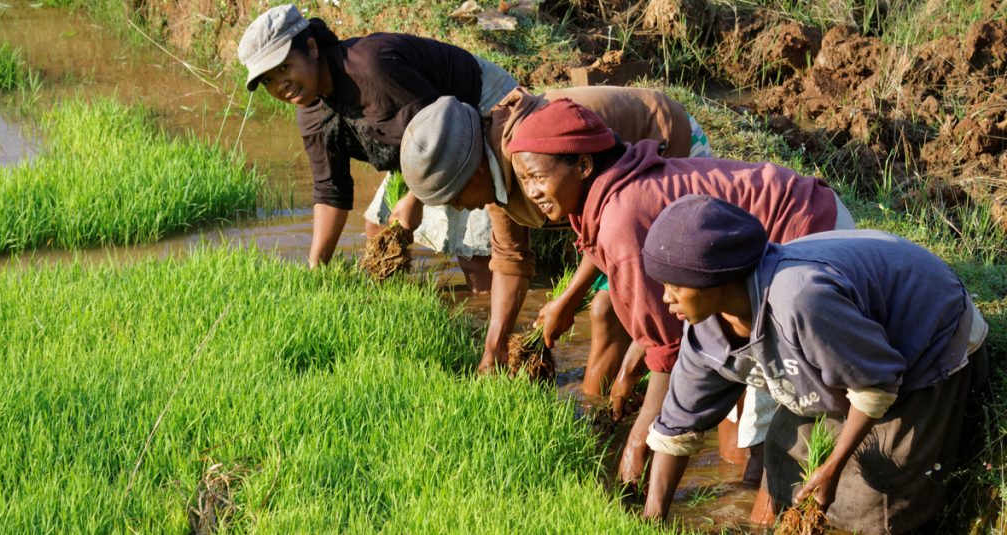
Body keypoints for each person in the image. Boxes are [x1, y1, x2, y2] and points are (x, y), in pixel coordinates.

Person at [502, 99, 856, 489]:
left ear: (584, 166)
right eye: (523, 181)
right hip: (786, 230)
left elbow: (670, 351)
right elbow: (638, 295)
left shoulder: (622, 217)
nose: (531, 191)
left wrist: (641, 437)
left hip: (806, 234)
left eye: (537, 177)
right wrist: (618, 352)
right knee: (734, 403)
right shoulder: (609, 197)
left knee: (768, 428)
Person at [639, 195, 989, 533]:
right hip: (846, 347)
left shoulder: (800, 299)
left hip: (926, 336)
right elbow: (678, 428)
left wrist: (833, 467)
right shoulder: (703, 331)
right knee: (782, 447)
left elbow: (877, 383)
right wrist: (651, 522)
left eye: (676, 286)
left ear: (719, 279)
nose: (666, 298)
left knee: (876, 487)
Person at [399, 86, 713, 399]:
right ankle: (606, 398)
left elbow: (611, 225)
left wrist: (567, 300)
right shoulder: (499, 168)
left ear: (476, 170)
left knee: (608, 307)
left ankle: (598, 407)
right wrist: (494, 348)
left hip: (667, 149)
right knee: (609, 305)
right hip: (608, 203)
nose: (456, 207)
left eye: (454, 196)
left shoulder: (536, 151)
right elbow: (511, 259)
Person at [237, 4, 517, 290]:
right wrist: (315, 270)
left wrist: (415, 200)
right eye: (268, 80)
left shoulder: (372, 71)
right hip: (422, 135)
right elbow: (330, 189)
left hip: (479, 109)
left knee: (476, 260)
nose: (280, 85)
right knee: (377, 229)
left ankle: (489, 314)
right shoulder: (311, 111)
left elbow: (441, 135)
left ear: (312, 47)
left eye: (284, 67)